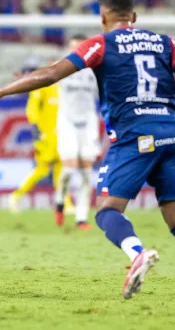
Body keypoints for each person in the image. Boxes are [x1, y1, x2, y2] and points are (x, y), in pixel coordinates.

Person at [0, 0, 175, 313]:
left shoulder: (100, 43)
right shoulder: (165, 42)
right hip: (173, 134)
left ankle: (137, 252)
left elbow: (52, 73)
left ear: (103, 17)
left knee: (108, 210)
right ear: (135, 17)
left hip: (135, 136)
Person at [52, 35, 101, 229]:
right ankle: (60, 202)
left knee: (86, 172)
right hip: (67, 121)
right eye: (73, 48)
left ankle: (82, 217)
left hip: (88, 121)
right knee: (69, 169)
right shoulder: (61, 68)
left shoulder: (94, 71)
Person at [8, 59, 69, 215]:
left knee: (60, 169)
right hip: (45, 135)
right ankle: (16, 195)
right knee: (43, 169)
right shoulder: (43, 86)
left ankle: (65, 203)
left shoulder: (60, 87)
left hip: (59, 135)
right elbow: (32, 109)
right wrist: (36, 129)